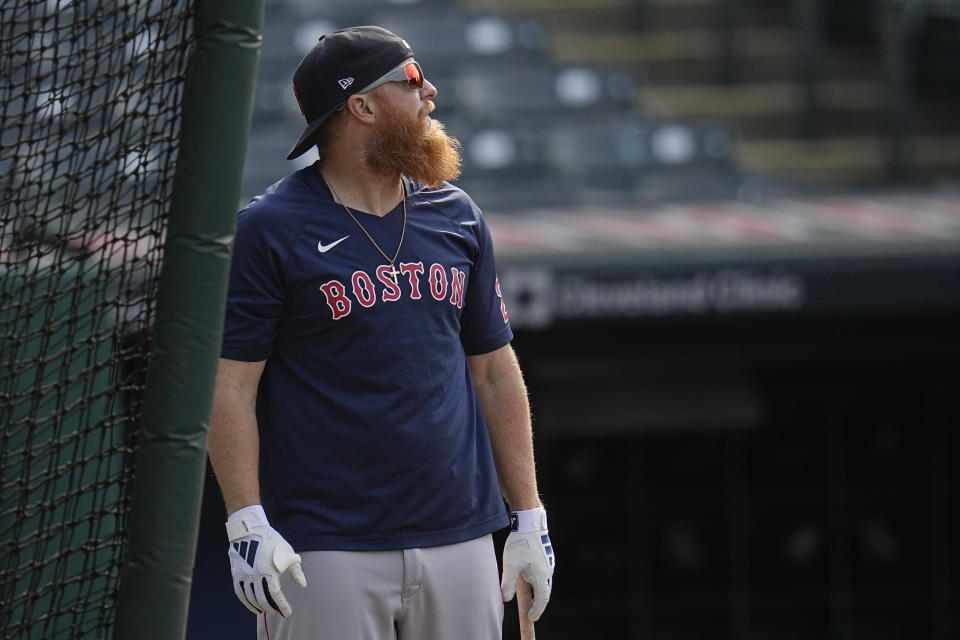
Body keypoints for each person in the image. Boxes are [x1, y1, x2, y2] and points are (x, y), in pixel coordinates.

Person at [207, 26, 555, 640]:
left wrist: (529, 517)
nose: (431, 93)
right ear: (362, 106)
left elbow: (495, 373)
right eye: (413, 80)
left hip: (461, 533)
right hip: (324, 547)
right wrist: (247, 522)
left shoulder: (456, 214)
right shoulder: (270, 228)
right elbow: (229, 387)